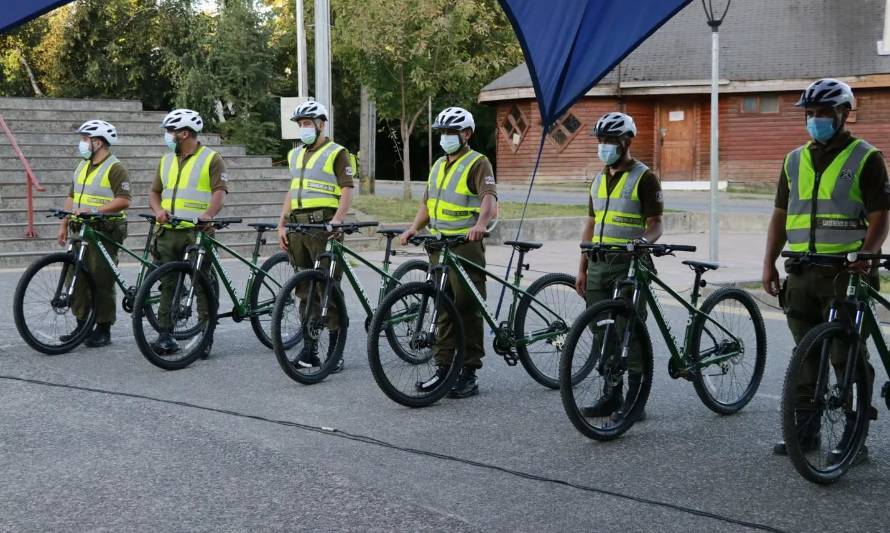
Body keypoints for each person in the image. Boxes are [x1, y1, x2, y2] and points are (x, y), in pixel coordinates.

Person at [762, 79, 890, 460]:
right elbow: (781, 216)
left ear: (843, 114)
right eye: (810, 114)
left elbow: (881, 215)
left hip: (846, 272)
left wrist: (867, 254)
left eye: (823, 113)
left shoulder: (866, 157)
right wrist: (768, 261)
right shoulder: (793, 160)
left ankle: (855, 434)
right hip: (800, 271)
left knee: (844, 353)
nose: (815, 120)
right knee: (806, 354)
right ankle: (806, 430)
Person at [400, 106, 498, 398]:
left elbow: (489, 198)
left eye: (451, 132)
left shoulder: (478, 163)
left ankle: (468, 372)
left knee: (467, 308)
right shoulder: (438, 166)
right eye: (442, 132)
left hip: (465, 246)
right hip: (439, 246)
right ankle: (443, 369)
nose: (445, 137)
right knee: (442, 307)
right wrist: (413, 229)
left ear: (466, 134)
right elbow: (427, 205)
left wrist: (480, 224)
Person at [575, 112, 664, 419]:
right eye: (600, 141)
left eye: (610, 141)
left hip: (629, 265)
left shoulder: (645, 177)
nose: (604, 146)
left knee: (630, 331)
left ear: (627, 141)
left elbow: (656, 225)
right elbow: (590, 225)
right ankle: (612, 395)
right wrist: (582, 268)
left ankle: (636, 401)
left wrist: (643, 242)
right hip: (599, 264)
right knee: (603, 332)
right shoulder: (598, 179)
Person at [275, 99, 355, 372]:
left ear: (321, 124)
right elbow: (292, 189)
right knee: (305, 291)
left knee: (328, 289)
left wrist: (337, 221)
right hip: (297, 227)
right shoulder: (295, 154)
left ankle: (335, 351)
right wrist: (282, 223)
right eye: (300, 124)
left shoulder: (337, 152)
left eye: (308, 123)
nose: (303, 129)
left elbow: (346, 190)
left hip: (323, 227)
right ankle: (310, 350)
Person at [148, 109, 228, 354]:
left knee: (202, 283)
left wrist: (208, 215)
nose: (167, 136)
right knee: (168, 283)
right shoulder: (166, 160)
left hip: (197, 231)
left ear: (184, 133)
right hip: (168, 231)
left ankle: (205, 336)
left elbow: (219, 192)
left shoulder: (211, 158)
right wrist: (158, 209)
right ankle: (165, 334)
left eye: (170, 132)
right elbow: (154, 192)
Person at [58, 120, 131, 347]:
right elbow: (73, 197)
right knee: (76, 278)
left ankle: (103, 327)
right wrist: (64, 221)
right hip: (81, 227)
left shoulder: (115, 167)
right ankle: (82, 326)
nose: (81, 143)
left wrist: (96, 211)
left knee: (101, 278)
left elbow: (124, 200)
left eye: (84, 139)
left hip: (105, 229)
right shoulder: (82, 165)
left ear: (97, 142)